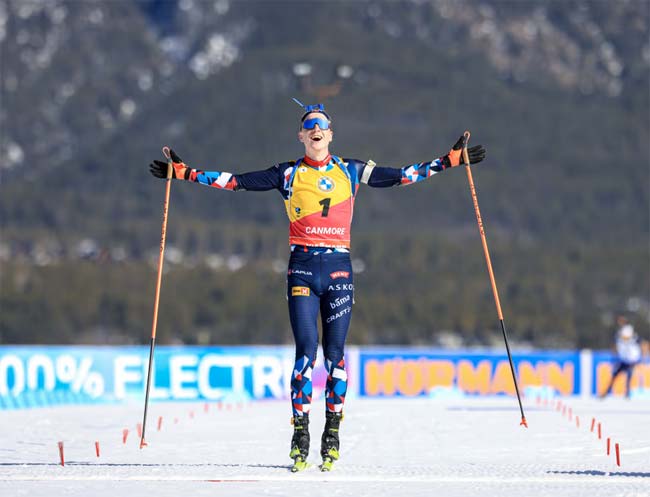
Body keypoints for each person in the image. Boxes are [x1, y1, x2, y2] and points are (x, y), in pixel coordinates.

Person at [149, 100, 486, 470]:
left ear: (330, 134)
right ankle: (300, 434)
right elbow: (236, 182)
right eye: (309, 125)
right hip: (302, 269)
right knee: (306, 354)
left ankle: (332, 434)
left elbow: (403, 175)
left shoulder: (351, 169)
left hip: (339, 269)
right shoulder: (288, 174)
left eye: (321, 125)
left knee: (335, 356)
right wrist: (185, 173)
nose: (316, 130)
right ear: (300, 136)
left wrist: (448, 161)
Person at [600, 315, 642, 398]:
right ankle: (606, 392)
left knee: (628, 375)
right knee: (615, 375)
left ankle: (627, 393)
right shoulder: (621, 331)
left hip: (631, 358)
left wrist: (621, 338)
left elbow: (627, 337)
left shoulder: (627, 329)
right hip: (624, 359)